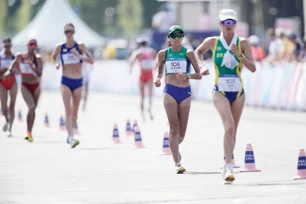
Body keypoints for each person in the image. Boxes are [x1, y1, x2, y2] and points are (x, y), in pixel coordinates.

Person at [194, 9, 256, 183]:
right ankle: (228, 165)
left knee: (233, 130)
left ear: (235, 24)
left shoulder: (243, 42)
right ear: (220, 24)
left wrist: (239, 55)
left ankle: (227, 159)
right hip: (219, 90)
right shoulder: (212, 42)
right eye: (225, 23)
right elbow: (197, 52)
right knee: (228, 126)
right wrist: (201, 66)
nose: (228, 26)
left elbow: (253, 67)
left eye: (231, 23)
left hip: (238, 92)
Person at [154, 25, 208, 174]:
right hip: (170, 91)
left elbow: (199, 74)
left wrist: (187, 76)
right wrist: (157, 79)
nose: (177, 39)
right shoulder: (163, 54)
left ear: (183, 37)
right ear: (169, 38)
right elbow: (159, 72)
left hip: (185, 93)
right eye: (173, 36)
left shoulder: (188, 53)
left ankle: (175, 148)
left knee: (182, 134)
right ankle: (177, 162)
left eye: (179, 36)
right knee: (174, 128)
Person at [51, 23, 94, 148]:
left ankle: (70, 133)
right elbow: (54, 58)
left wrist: (79, 56)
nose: (69, 34)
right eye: (66, 32)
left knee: (75, 113)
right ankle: (70, 137)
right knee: (68, 110)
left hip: (78, 81)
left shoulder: (80, 46)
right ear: (64, 33)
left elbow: (91, 60)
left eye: (71, 31)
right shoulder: (60, 47)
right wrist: (57, 63)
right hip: (65, 81)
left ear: (74, 32)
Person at [4, 39, 43, 142]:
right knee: (31, 107)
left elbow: (40, 73)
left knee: (33, 110)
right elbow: (12, 65)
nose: (33, 46)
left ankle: (30, 131)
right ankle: (28, 132)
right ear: (27, 45)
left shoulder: (37, 58)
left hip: (36, 86)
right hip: (25, 85)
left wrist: (31, 66)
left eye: (35, 45)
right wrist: (9, 72)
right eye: (31, 44)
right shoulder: (20, 56)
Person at [129, 37, 157, 121]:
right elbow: (157, 60)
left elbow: (131, 61)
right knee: (150, 95)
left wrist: (130, 70)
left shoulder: (138, 52)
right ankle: (149, 109)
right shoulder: (151, 51)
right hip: (149, 74)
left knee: (142, 96)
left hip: (142, 74)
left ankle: (142, 116)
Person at [0, 38, 17, 136]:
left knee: (12, 105)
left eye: (9, 46)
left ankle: (10, 127)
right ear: (3, 46)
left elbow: (18, 70)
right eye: (5, 46)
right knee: (4, 106)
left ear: (11, 46)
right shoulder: (1, 56)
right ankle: (7, 120)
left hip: (12, 82)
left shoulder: (14, 56)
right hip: (2, 82)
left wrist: (10, 71)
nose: (7, 48)